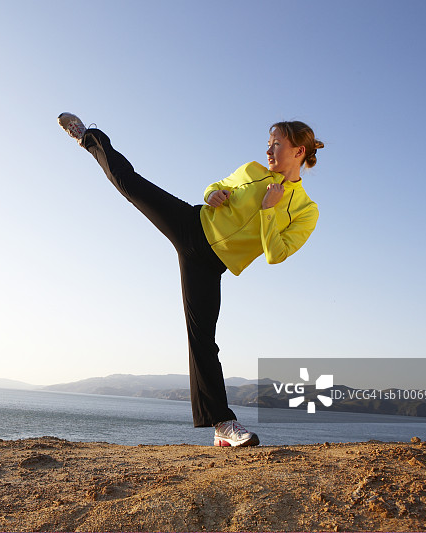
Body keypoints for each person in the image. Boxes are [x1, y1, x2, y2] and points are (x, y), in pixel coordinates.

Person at [58, 112, 324, 447]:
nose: (269, 150)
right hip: (192, 223)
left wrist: (269, 208)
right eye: (268, 144)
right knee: (130, 183)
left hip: (209, 265)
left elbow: (276, 253)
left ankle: (222, 425)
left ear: (299, 151)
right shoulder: (251, 170)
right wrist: (213, 194)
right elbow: (215, 186)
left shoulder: (305, 210)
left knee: (203, 341)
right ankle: (88, 137)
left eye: (277, 145)